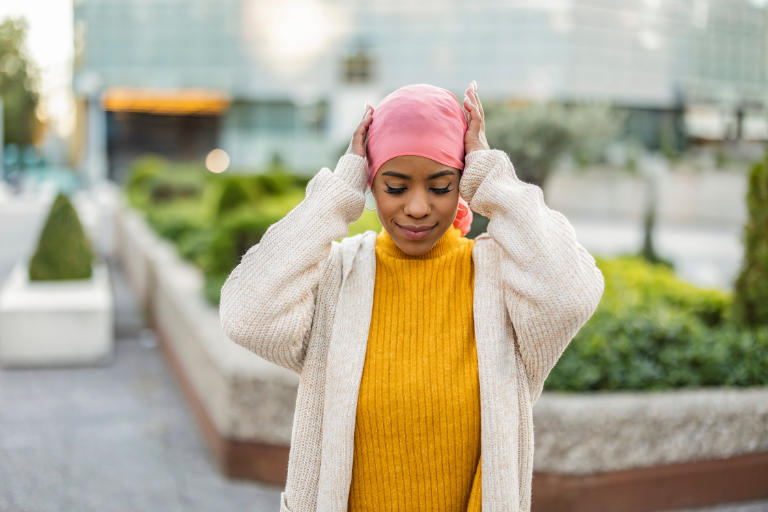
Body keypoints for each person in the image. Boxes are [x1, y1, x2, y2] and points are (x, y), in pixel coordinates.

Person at [220, 82, 604, 512]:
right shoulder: (340, 277)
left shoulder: (497, 282)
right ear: (372, 183)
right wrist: (341, 190)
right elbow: (246, 315)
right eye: (396, 187)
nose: (418, 207)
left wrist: (491, 174)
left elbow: (571, 295)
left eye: (441, 187)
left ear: (462, 182)